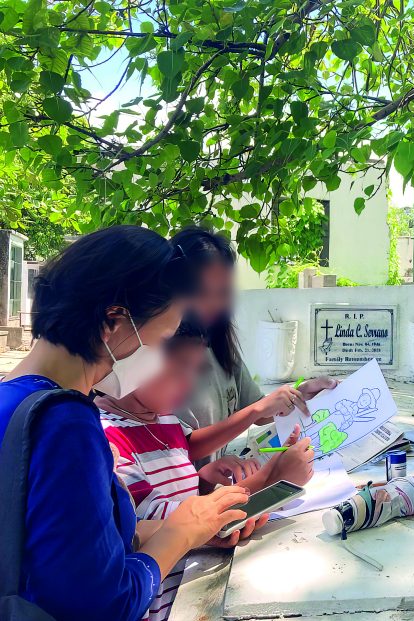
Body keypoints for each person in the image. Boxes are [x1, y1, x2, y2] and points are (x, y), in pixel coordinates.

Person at [0, 226, 255, 620]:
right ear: (113, 321)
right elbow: (106, 603)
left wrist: (198, 525)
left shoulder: (12, 401)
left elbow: (74, 549)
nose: (158, 360)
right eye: (161, 341)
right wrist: (181, 532)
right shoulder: (66, 423)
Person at [98, 319, 314, 621]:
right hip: (162, 604)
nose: (188, 384)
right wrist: (272, 476)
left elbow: (186, 451)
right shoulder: (108, 441)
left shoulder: (163, 419)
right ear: (136, 359)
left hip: (191, 584)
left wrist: (201, 480)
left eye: (196, 369)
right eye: (178, 368)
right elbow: (168, 520)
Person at [170, 227, 335, 465]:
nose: (214, 303)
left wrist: (298, 395)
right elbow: (181, 446)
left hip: (212, 489)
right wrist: (257, 410)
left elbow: (255, 409)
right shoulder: (159, 357)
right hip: (177, 497)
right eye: (202, 291)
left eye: (223, 292)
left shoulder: (219, 345)